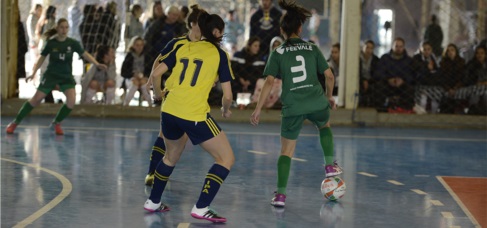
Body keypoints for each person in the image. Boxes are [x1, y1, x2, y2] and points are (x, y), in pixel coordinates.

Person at [143, 12, 234, 223]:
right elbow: (227, 95)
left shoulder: (184, 46)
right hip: (192, 113)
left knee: (170, 156)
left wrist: (157, 95)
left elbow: (156, 74)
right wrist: (226, 109)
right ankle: (201, 207)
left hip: (169, 109)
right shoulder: (220, 55)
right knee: (226, 158)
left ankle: (153, 202)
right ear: (218, 32)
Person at [250, 0, 342, 208]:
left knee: (286, 152)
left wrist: (257, 108)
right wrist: (328, 97)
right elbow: (329, 76)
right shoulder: (312, 47)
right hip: (316, 101)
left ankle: (281, 196)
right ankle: (329, 165)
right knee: (324, 126)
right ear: (300, 28)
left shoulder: (278, 52)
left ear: (282, 30)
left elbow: (269, 82)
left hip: (293, 106)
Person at [6, 18, 107, 135]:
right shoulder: (51, 43)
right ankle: (15, 123)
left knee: (71, 101)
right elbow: (41, 58)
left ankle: (56, 123)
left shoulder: (72, 43)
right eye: (62, 27)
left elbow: (85, 54)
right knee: (35, 100)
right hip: (51, 76)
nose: (64, 30)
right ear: (57, 29)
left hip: (66, 76)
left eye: (66, 27)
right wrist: (33, 73)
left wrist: (97, 63)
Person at [143, 4, 205, 186]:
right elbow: (160, 59)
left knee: (179, 141)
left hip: (193, 100)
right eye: (201, 23)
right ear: (192, 24)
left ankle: (161, 172)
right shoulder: (178, 43)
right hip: (174, 95)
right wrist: (151, 82)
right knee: (165, 135)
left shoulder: (207, 47)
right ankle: (152, 173)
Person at [121, 36, 152, 106]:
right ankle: (126, 104)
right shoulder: (129, 56)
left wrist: (144, 76)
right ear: (133, 46)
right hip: (131, 77)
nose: (139, 47)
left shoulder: (147, 56)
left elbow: (150, 70)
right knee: (135, 83)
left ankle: (150, 104)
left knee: (144, 83)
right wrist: (133, 74)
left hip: (144, 77)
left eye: (141, 45)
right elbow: (123, 72)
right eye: (137, 45)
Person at [359, 40, 379, 107]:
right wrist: (363, 80)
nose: (369, 50)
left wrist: (368, 81)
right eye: (367, 47)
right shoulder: (357, 58)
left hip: (371, 81)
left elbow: (376, 73)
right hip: (360, 80)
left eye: (371, 48)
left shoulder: (375, 60)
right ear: (363, 47)